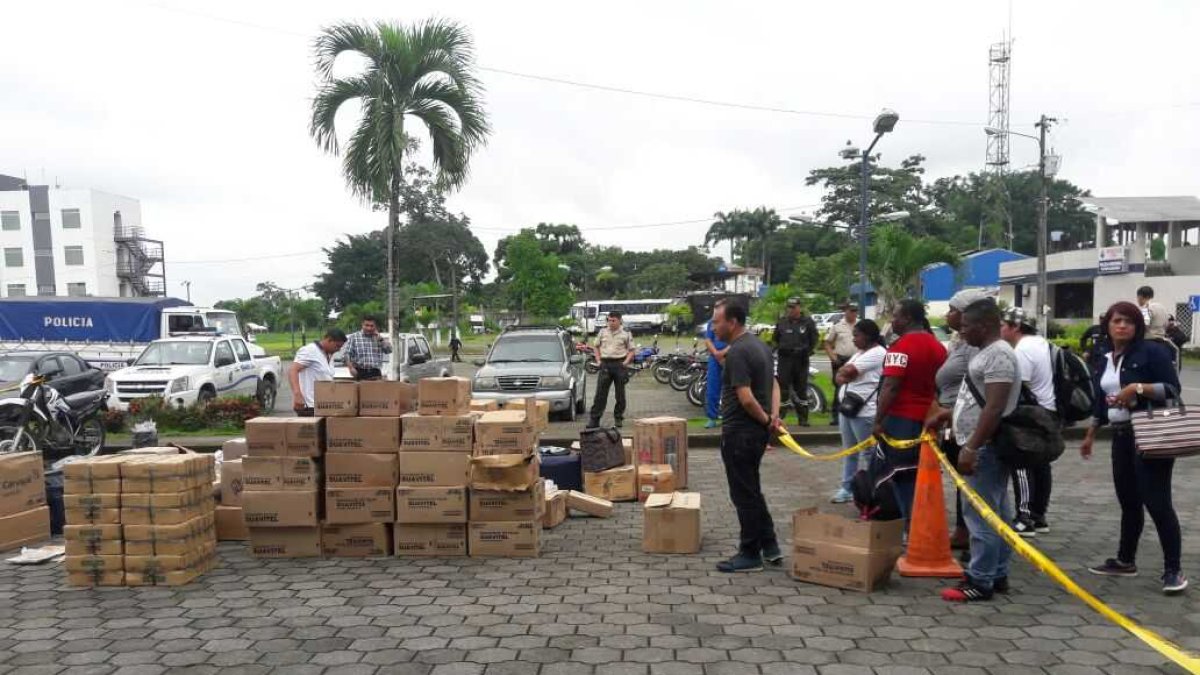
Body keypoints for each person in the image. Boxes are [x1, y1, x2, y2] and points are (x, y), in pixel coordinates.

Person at [1080, 301, 1186, 595]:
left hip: (1150, 434)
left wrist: (1137, 388)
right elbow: (1103, 399)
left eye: (1129, 321)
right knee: (1128, 501)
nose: (1122, 325)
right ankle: (1126, 560)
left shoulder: (1153, 352)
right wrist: (1090, 432)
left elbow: (1172, 389)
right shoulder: (1105, 356)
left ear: (1138, 326)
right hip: (1121, 436)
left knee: (1157, 502)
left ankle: (1173, 569)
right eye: (1117, 321)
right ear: (1108, 325)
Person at [931, 298, 1020, 602]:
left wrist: (971, 446)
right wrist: (947, 415)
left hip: (986, 448)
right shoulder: (987, 353)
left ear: (984, 325)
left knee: (979, 515)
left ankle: (980, 580)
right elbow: (976, 396)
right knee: (997, 513)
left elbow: (994, 407)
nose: (963, 331)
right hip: (980, 444)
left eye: (968, 326)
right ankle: (996, 573)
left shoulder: (998, 356)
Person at [712, 297, 783, 573]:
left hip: (741, 433)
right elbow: (774, 384)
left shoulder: (738, 352)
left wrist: (767, 420)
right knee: (752, 489)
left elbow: (746, 398)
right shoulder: (760, 346)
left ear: (733, 322)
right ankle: (771, 546)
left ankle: (750, 552)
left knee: (743, 494)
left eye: (717, 321)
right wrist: (773, 418)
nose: (713, 327)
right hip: (756, 433)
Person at [927, 289, 992, 550]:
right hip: (954, 420)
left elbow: (983, 390)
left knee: (973, 486)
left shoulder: (977, 349)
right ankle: (966, 531)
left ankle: (975, 538)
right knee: (962, 483)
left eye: (953, 310)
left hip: (966, 423)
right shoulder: (960, 343)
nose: (948, 314)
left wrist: (951, 414)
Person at [873, 299, 947, 529]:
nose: (892, 321)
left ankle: (911, 526)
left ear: (907, 319)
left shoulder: (900, 348)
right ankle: (922, 521)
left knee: (902, 475)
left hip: (902, 419)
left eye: (895, 316)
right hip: (929, 418)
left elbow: (890, 386)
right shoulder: (938, 346)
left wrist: (878, 419)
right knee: (922, 474)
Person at [1000, 307, 1058, 538]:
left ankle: (1024, 517)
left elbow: (1017, 385)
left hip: (1031, 414)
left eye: (1003, 325)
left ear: (1015, 327)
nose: (1001, 330)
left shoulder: (1022, 349)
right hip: (1049, 411)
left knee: (1021, 463)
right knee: (1042, 465)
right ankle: (1039, 515)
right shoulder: (1043, 343)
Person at [830, 319, 886, 503]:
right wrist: (843, 373)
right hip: (848, 408)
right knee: (849, 451)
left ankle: (872, 488)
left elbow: (847, 372)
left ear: (868, 336)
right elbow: (841, 373)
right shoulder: (860, 353)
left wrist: (844, 374)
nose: (854, 339)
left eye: (857, 335)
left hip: (864, 412)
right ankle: (847, 487)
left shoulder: (877, 353)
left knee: (868, 452)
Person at [774, 298, 819, 426]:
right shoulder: (782, 322)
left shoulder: (808, 323)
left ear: (799, 308)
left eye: (793, 307)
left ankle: (803, 418)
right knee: (783, 389)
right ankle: (780, 417)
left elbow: (814, 340)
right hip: (785, 360)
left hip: (801, 361)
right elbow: (776, 338)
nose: (790, 310)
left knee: (801, 389)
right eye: (789, 307)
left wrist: (806, 351)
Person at [588, 311, 634, 428]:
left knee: (620, 395)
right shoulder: (603, 332)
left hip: (619, 364)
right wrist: (598, 360)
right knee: (600, 394)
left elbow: (632, 350)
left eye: (613, 320)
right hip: (605, 364)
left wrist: (626, 362)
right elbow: (596, 346)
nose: (611, 323)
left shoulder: (626, 333)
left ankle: (618, 418)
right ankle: (594, 420)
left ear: (619, 320)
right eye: (609, 320)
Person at [289, 328, 347, 416]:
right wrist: (297, 394)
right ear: (329, 340)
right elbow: (293, 370)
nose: (338, 350)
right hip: (309, 406)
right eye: (337, 346)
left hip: (323, 405)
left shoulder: (329, 354)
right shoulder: (310, 350)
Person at [824, 303, 860, 426]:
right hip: (841, 360)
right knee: (840, 388)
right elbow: (827, 343)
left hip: (856, 359)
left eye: (855, 311)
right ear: (846, 311)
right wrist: (833, 358)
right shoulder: (838, 326)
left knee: (856, 386)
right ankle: (836, 416)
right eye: (851, 311)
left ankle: (853, 413)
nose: (853, 313)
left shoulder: (860, 325)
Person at [343, 316, 392, 381]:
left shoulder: (379, 338)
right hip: (360, 372)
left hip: (375, 373)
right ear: (362, 325)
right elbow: (346, 354)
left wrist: (381, 340)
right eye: (366, 325)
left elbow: (389, 350)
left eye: (372, 326)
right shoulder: (354, 337)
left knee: (376, 391)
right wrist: (351, 368)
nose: (369, 328)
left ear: (375, 326)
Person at [703, 317, 729, 429]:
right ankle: (712, 418)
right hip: (715, 357)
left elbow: (737, 340)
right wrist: (716, 354)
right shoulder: (711, 322)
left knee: (732, 389)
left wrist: (723, 352)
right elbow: (708, 340)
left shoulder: (732, 321)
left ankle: (729, 417)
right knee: (712, 388)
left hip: (731, 355)